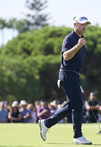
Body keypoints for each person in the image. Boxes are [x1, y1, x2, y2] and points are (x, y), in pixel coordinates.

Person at [38, 15, 92, 145]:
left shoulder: (81, 39)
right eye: (82, 24)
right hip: (67, 74)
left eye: (86, 24)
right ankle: (77, 136)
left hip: (74, 76)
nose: (84, 27)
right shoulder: (70, 38)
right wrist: (78, 46)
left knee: (72, 105)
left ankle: (46, 123)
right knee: (78, 104)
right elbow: (66, 56)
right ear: (75, 25)